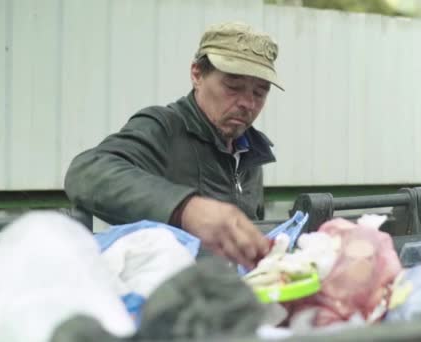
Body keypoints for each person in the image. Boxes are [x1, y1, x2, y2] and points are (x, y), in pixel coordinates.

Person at [64, 22, 283, 269]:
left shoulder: (251, 152)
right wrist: (186, 209)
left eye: (260, 92)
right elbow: (87, 172)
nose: (247, 103)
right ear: (197, 74)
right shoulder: (163, 128)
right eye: (233, 86)